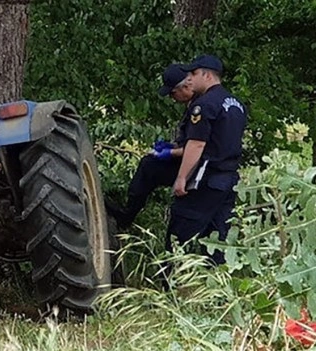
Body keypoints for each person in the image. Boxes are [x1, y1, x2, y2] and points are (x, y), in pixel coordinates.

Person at [167, 54, 247, 264]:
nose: (190, 79)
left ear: (207, 75)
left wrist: (182, 177)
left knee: (179, 233)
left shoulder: (204, 105)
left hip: (207, 178)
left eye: (194, 73)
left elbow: (197, 144)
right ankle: (216, 290)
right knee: (218, 239)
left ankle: (168, 284)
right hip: (229, 180)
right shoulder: (237, 104)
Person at [105, 63, 195, 229]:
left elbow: (196, 147)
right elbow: (188, 141)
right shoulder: (190, 107)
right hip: (188, 159)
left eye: (173, 93)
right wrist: (170, 145)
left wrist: (171, 153)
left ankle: (126, 216)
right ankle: (128, 212)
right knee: (149, 164)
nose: (172, 98)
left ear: (187, 85)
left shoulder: (200, 107)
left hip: (196, 166)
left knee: (149, 167)